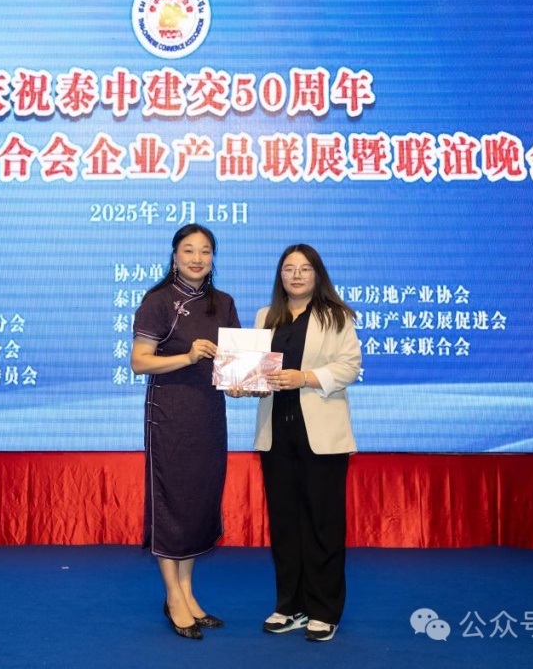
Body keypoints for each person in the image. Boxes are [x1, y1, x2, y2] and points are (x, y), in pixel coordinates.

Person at [243, 244, 361, 642]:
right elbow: (254, 372)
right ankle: (289, 606)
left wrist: (305, 377)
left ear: (317, 274)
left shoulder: (336, 315)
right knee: (284, 524)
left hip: (321, 435)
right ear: (280, 275)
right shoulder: (266, 316)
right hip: (276, 433)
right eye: (289, 269)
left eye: (305, 269)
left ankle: (324, 610)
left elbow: (349, 366)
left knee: (322, 524)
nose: (296, 275)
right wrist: (244, 384)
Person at [130, 224, 240, 640]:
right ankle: (173, 596)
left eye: (205, 251)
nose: (197, 258)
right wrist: (188, 357)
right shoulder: (158, 301)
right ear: (174, 256)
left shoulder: (223, 303)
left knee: (197, 502)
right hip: (169, 415)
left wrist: (243, 381)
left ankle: (188, 592)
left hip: (209, 415)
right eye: (188, 250)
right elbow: (139, 361)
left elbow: (234, 364)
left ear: (214, 258)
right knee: (172, 502)